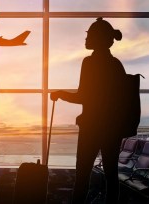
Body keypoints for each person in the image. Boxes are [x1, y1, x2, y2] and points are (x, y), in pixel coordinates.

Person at [50, 18, 125, 204]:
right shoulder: (116, 65)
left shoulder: (90, 63)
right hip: (112, 130)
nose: (86, 38)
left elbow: (84, 96)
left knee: (82, 175)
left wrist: (61, 94)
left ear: (98, 38)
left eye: (90, 35)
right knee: (111, 175)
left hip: (91, 127)